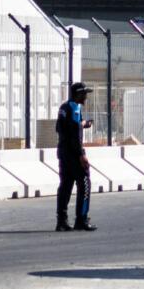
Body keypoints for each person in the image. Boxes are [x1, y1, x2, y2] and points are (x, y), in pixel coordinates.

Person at [55, 80, 93, 232]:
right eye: (84, 94)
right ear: (78, 95)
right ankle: (81, 219)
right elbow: (75, 135)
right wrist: (81, 154)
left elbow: (61, 127)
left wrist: (83, 123)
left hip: (63, 152)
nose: (86, 97)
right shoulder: (75, 108)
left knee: (65, 186)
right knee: (84, 183)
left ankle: (61, 220)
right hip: (73, 153)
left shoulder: (64, 107)